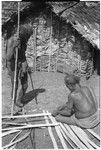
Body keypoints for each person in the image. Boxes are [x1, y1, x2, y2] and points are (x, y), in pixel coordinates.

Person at [6, 23, 33, 108]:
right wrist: (14, 47)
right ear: (24, 34)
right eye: (28, 35)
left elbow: (23, 54)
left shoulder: (24, 41)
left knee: (25, 84)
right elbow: (8, 57)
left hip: (22, 62)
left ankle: (19, 99)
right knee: (15, 85)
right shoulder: (12, 40)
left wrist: (25, 63)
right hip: (13, 63)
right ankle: (13, 102)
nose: (28, 37)